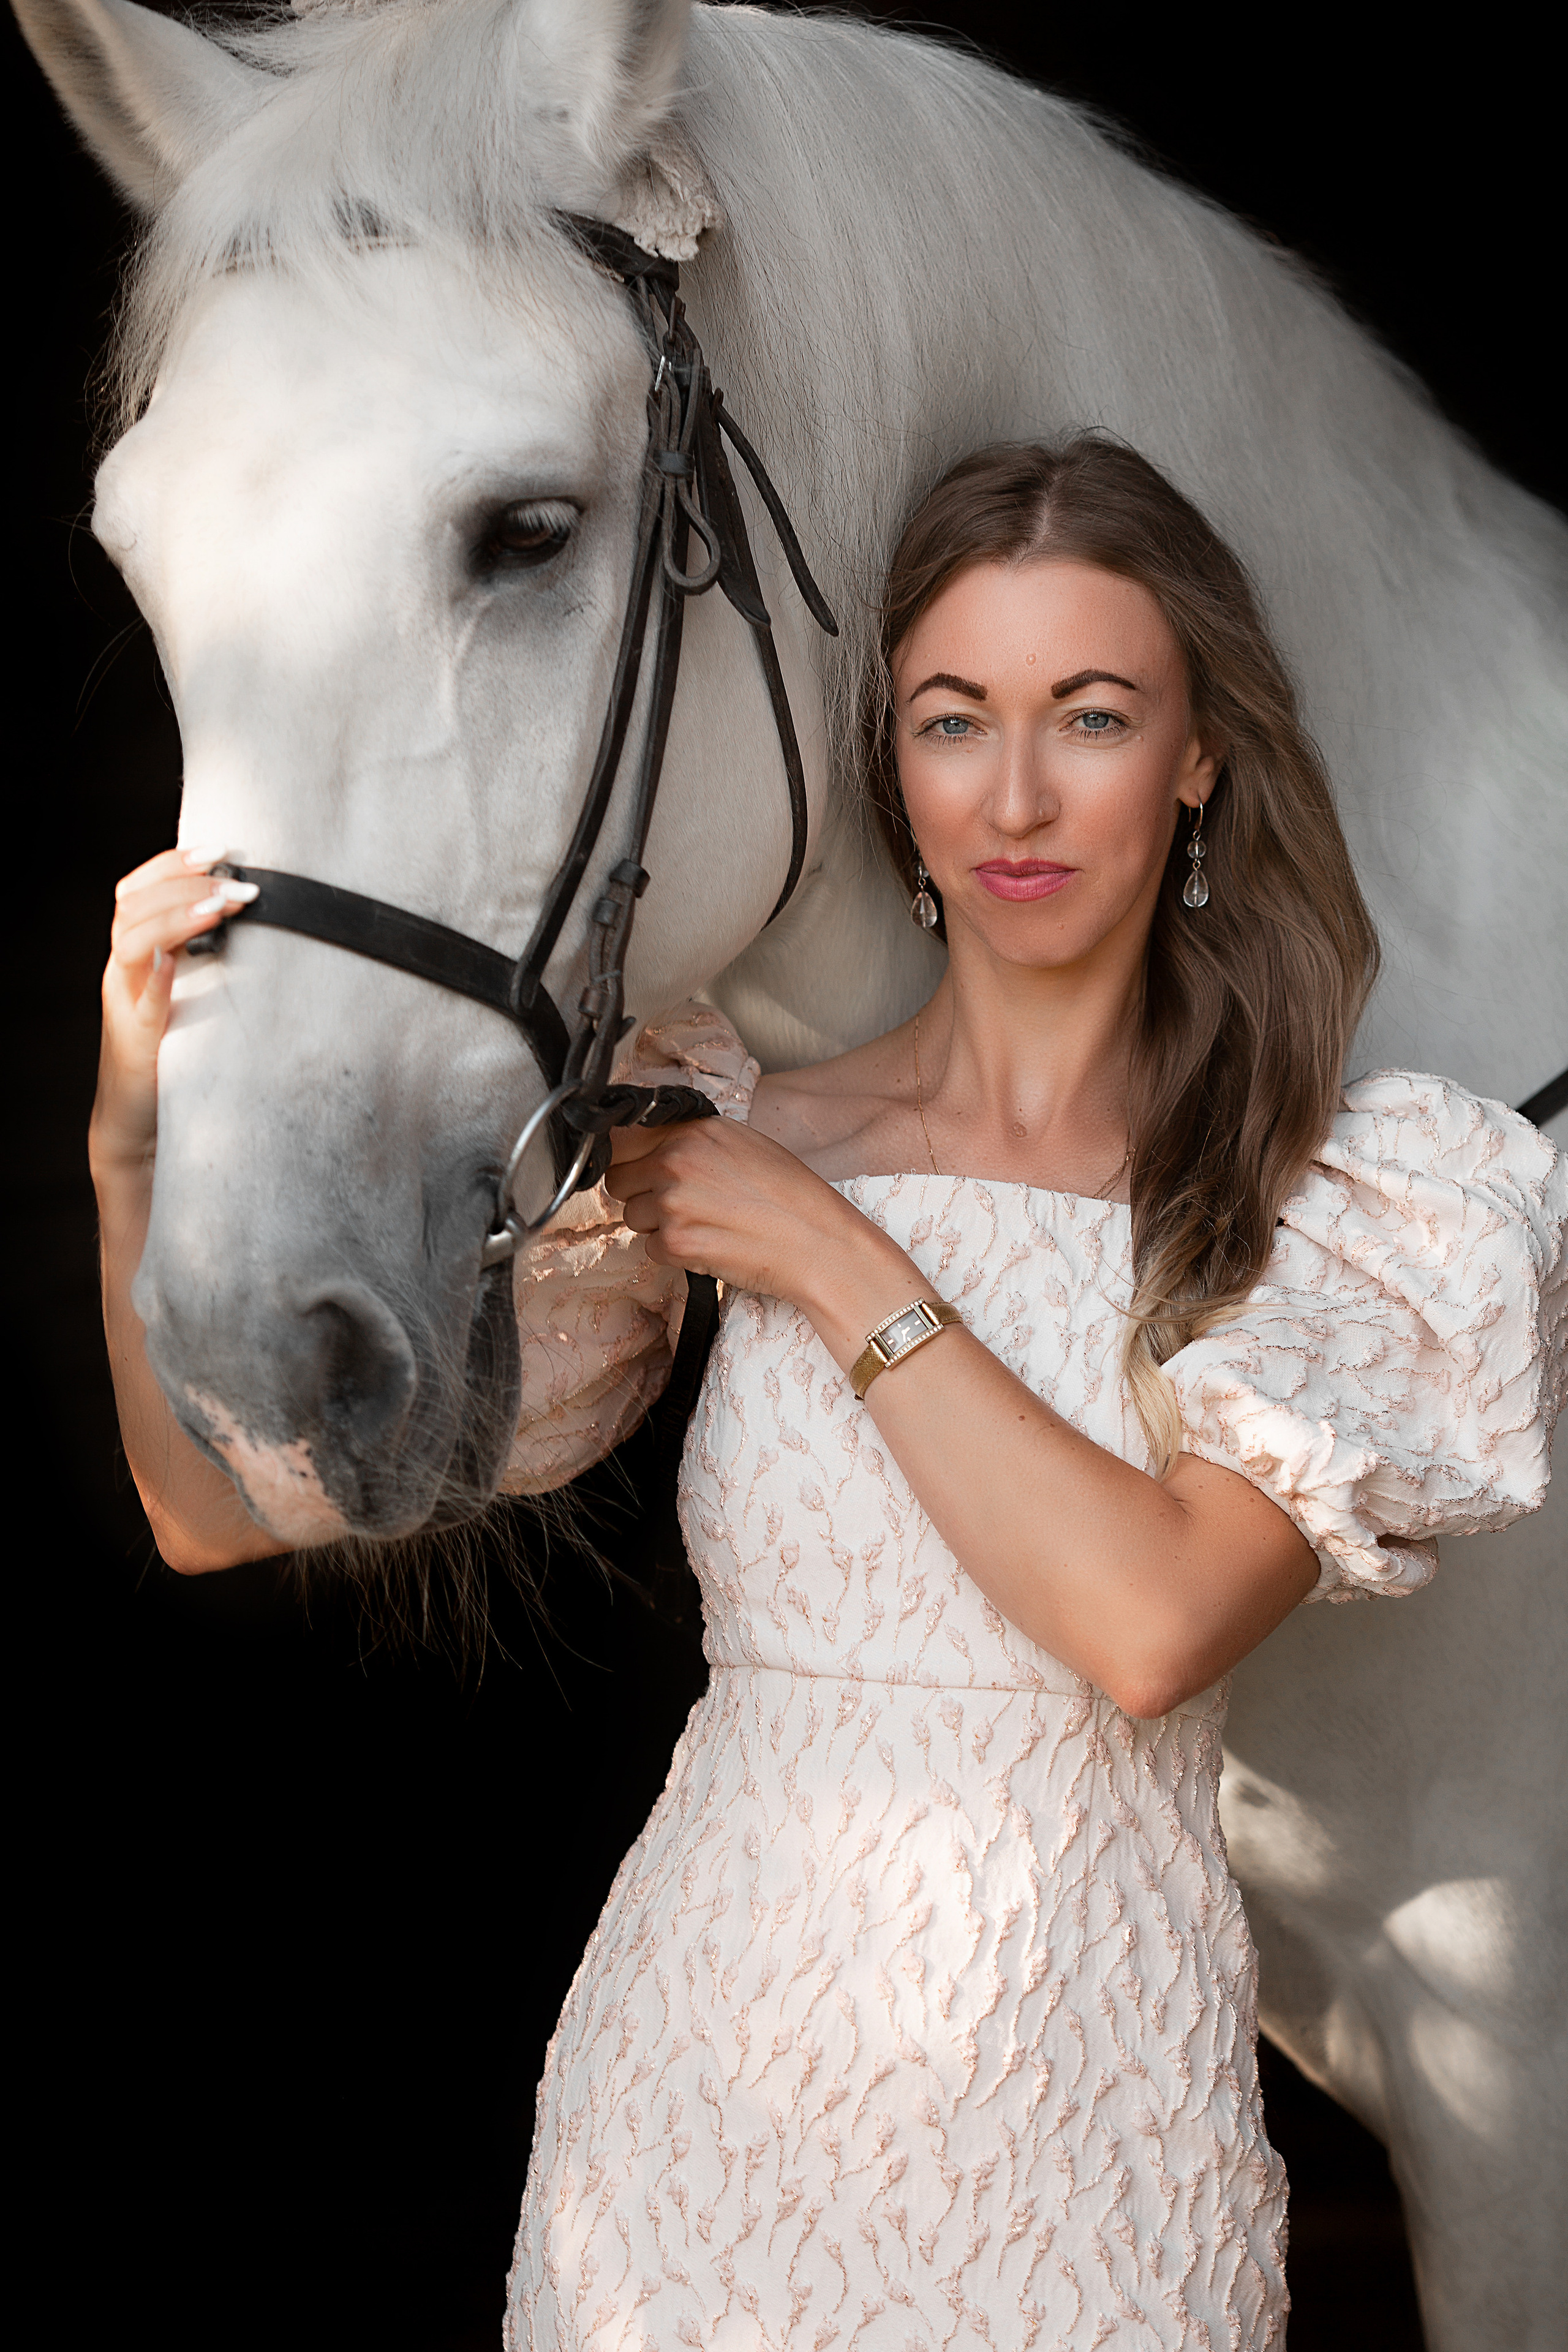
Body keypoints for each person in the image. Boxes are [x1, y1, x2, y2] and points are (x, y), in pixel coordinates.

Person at [96, 439, 1564, 2348]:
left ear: (1198, 755)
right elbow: (218, 1511)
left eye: (1092, 716)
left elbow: (1151, 1624)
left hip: (1093, 2154)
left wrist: (836, 1257)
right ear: (896, 757)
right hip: (701, 2135)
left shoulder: (1346, 1194)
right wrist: (131, 1136)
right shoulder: (711, 1118)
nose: (1015, 795)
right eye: (956, 720)